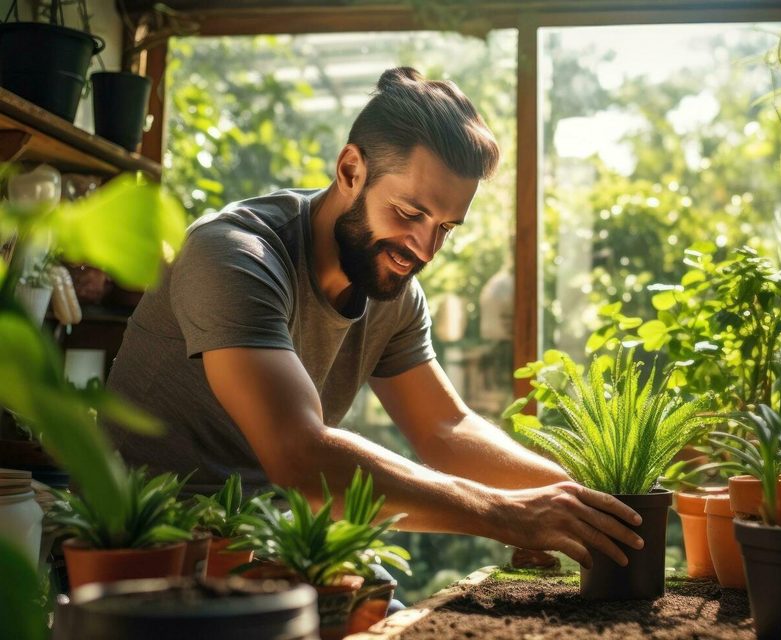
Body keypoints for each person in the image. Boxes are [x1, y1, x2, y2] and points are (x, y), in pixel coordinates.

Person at [105, 67, 644, 570]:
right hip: (140, 548)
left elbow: (445, 428)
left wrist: (585, 502)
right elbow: (299, 453)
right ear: (350, 170)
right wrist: (507, 515)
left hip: (267, 545)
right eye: (410, 214)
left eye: (445, 227)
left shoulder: (392, 289)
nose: (425, 249)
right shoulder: (234, 256)